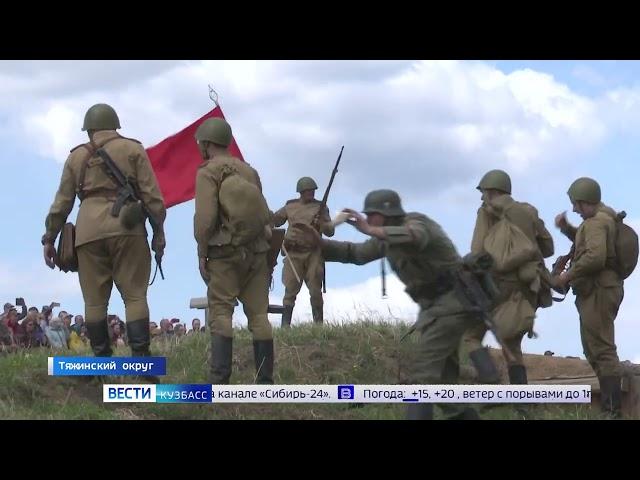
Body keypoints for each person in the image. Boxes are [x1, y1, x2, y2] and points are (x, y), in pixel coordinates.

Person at [298, 189, 488, 420]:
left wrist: (370, 230)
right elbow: (356, 253)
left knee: (423, 376)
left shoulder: (417, 223)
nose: (368, 219)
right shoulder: (386, 240)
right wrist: (321, 244)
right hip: (435, 309)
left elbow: (414, 236)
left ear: (388, 213)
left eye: (372, 215)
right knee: (443, 379)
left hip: (452, 302)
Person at [42, 103, 166, 362]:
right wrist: (158, 232)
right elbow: (153, 198)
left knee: (95, 302)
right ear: (115, 125)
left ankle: (100, 363)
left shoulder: (75, 157)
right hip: (127, 228)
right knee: (134, 296)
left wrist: (49, 238)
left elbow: (62, 203)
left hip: (88, 233)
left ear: (89, 129)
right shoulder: (133, 149)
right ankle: (142, 362)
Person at [193, 117, 274, 384]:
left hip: (224, 252)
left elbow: (205, 219)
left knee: (221, 312)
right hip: (257, 251)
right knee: (259, 316)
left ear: (206, 144)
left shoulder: (208, 172)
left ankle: (220, 378)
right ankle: (264, 381)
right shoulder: (249, 171)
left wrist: (202, 252)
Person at [462, 169, 554, 384]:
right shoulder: (528, 211)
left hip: (495, 285)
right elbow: (548, 248)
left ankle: (490, 378)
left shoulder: (486, 212)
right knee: (512, 347)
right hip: (526, 287)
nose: (482, 197)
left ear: (492, 191)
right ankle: (521, 405)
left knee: (471, 336)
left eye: (483, 192)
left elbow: (477, 251)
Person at [554, 177, 625, 417]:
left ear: (585, 202)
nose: (574, 209)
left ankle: (613, 409)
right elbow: (587, 244)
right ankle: (612, 404)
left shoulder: (597, 223)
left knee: (602, 348)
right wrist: (567, 229)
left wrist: (566, 276)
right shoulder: (600, 220)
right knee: (593, 347)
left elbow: (595, 257)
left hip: (599, 291)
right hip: (597, 290)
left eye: (576, 204)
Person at [272, 177, 335, 326]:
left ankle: (318, 325)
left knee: (315, 291)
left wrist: (322, 223)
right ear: (301, 192)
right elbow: (275, 221)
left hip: (313, 253)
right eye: (308, 191)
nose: (311, 194)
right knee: (290, 291)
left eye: (312, 191)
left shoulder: (321, 208)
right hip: (293, 253)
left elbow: (330, 231)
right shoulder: (290, 207)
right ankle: (285, 326)